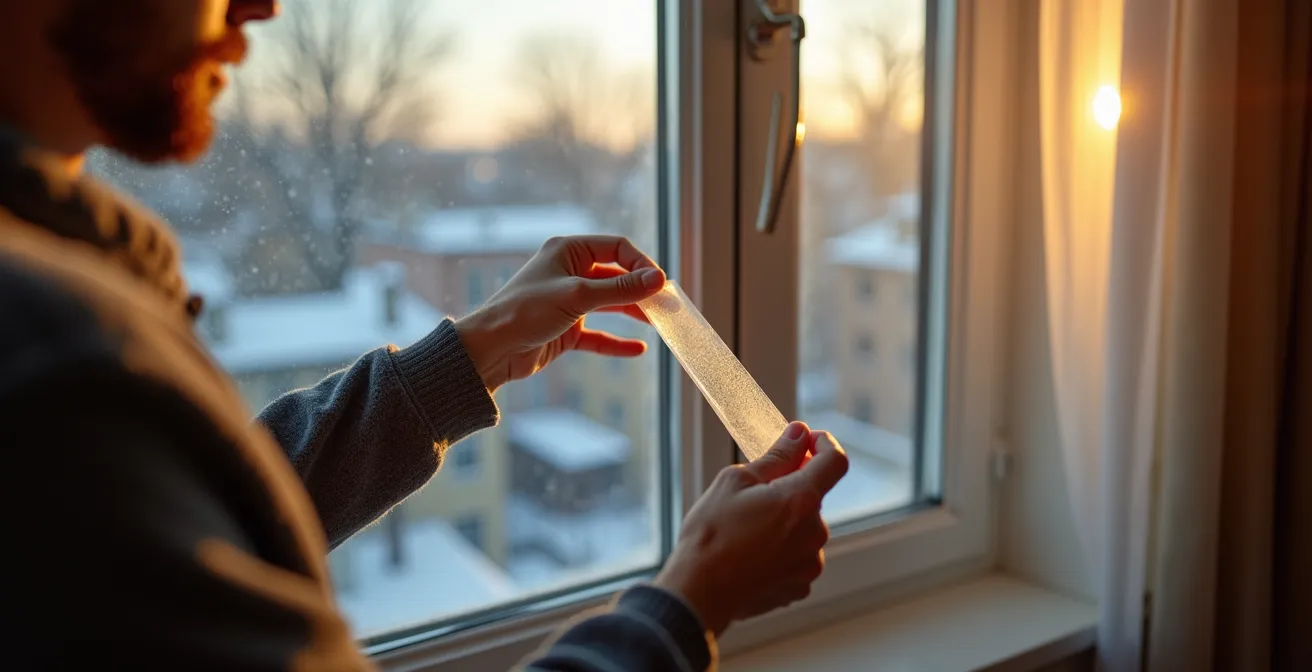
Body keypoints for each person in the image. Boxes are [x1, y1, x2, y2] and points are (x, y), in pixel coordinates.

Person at [0, 1, 850, 670]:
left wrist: (464, 358)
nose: (260, 7)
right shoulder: (53, 354)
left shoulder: (67, 286)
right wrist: (690, 600)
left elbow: (210, 517)